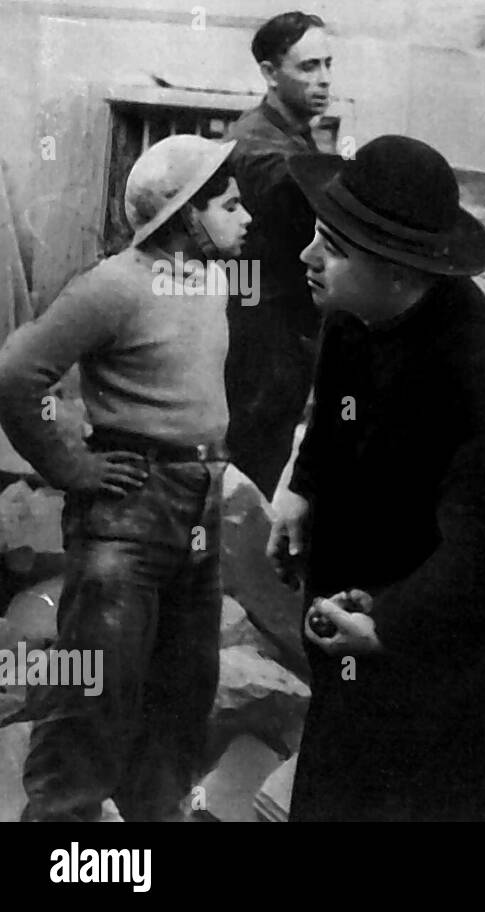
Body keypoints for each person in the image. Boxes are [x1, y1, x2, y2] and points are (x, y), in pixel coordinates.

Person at [265, 135, 485, 821]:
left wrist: (390, 623)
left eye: (331, 248)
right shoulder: (354, 315)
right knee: (331, 788)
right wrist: (301, 487)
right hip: (353, 609)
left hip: (441, 642)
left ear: (399, 270)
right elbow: (331, 415)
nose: (307, 257)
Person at [0, 135, 249, 820]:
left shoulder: (213, 281)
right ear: (184, 214)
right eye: (229, 205)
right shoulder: (113, 285)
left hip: (198, 506)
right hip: (128, 506)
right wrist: (68, 466)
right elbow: (18, 373)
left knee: (181, 692)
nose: (246, 216)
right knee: (95, 695)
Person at [224, 11, 331, 497]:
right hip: (262, 324)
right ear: (269, 73)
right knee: (257, 466)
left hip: (279, 319)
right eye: (308, 67)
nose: (324, 80)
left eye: (328, 64)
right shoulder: (260, 149)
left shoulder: (290, 132)